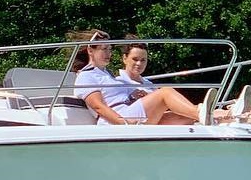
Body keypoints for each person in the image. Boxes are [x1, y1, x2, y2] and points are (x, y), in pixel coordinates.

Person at [68, 31, 210, 125]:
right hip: (115, 120)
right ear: (90, 50)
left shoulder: (106, 74)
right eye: (103, 49)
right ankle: (200, 112)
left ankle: (220, 116)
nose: (108, 53)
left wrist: (131, 96)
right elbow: (99, 107)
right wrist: (123, 121)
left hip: (127, 113)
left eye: (110, 49)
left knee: (184, 117)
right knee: (165, 92)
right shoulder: (86, 76)